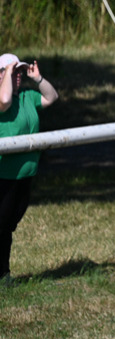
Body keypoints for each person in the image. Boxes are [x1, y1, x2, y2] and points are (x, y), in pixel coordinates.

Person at [0, 55, 58, 286]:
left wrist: (37, 78)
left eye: (19, 73)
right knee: (1, 227)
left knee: (8, 226)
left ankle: (3, 273)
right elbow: (4, 100)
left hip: (25, 175)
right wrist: (10, 68)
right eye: (12, 73)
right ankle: (2, 274)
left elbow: (51, 97)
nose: (17, 77)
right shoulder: (2, 98)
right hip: (3, 175)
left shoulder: (26, 97)